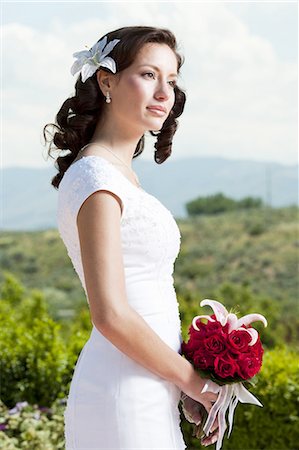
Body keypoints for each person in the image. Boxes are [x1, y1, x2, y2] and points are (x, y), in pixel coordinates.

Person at [44, 25, 219, 450]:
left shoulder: (118, 175)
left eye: (172, 81)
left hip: (148, 386)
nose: (164, 92)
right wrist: (195, 383)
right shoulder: (96, 178)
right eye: (148, 75)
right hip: (122, 392)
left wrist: (179, 385)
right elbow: (111, 315)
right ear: (106, 80)